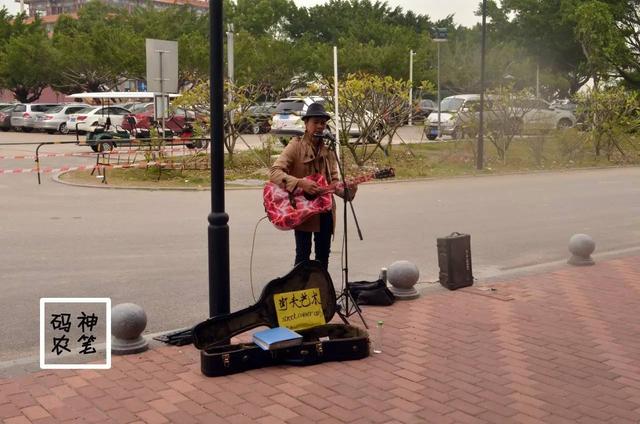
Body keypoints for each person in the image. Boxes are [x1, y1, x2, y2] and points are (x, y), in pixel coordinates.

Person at [269, 102, 356, 271]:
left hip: (325, 211)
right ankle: (301, 289)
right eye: (315, 122)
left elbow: (334, 184)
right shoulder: (295, 146)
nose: (319, 126)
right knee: (302, 255)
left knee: (323, 257)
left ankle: (321, 292)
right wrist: (301, 183)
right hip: (303, 210)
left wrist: (349, 189)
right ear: (306, 124)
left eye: (322, 123)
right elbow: (274, 172)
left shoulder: (329, 150)